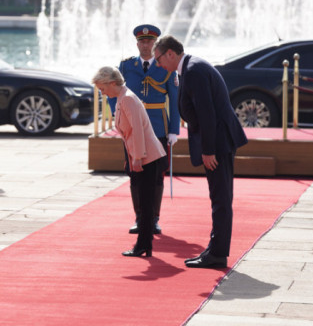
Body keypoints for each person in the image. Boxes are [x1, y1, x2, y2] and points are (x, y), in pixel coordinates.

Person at [153, 35, 248, 268]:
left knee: (221, 199)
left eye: (158, 59)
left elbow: (207, 113)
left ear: (170, 54)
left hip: (218, 143)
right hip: (219, 140)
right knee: (220, 197)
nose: (157, 64)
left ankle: (217, 254)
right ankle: (215, 249)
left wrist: (209, 150)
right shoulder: (192, 67)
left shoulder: (193, 70)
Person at [109, 24, 179, 235]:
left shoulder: (165, 66)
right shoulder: (126, 66)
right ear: (137, 43)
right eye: (142, 41)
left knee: (156, 175)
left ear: (155, 44)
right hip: (131, 127)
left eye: (150, 42)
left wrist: (174, 129)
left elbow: (175, 100)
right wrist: (117, 116)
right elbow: (113, 93)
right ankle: (140, 218)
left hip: (158, 125)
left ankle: (154, 219)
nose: (146, 45)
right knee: (135, 173)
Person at [93, 66, 166, 257]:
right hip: (143, 155)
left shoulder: (127, 99)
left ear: (112, 83)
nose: (102, 92)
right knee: (144, 202)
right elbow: (129, 135)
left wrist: (138, 158)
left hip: (148, 157)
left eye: (102, 88)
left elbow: (138, 131)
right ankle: (144, 245)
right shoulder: (122, 98)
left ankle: (143, 245)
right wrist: (131, 157)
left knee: (145, 203)